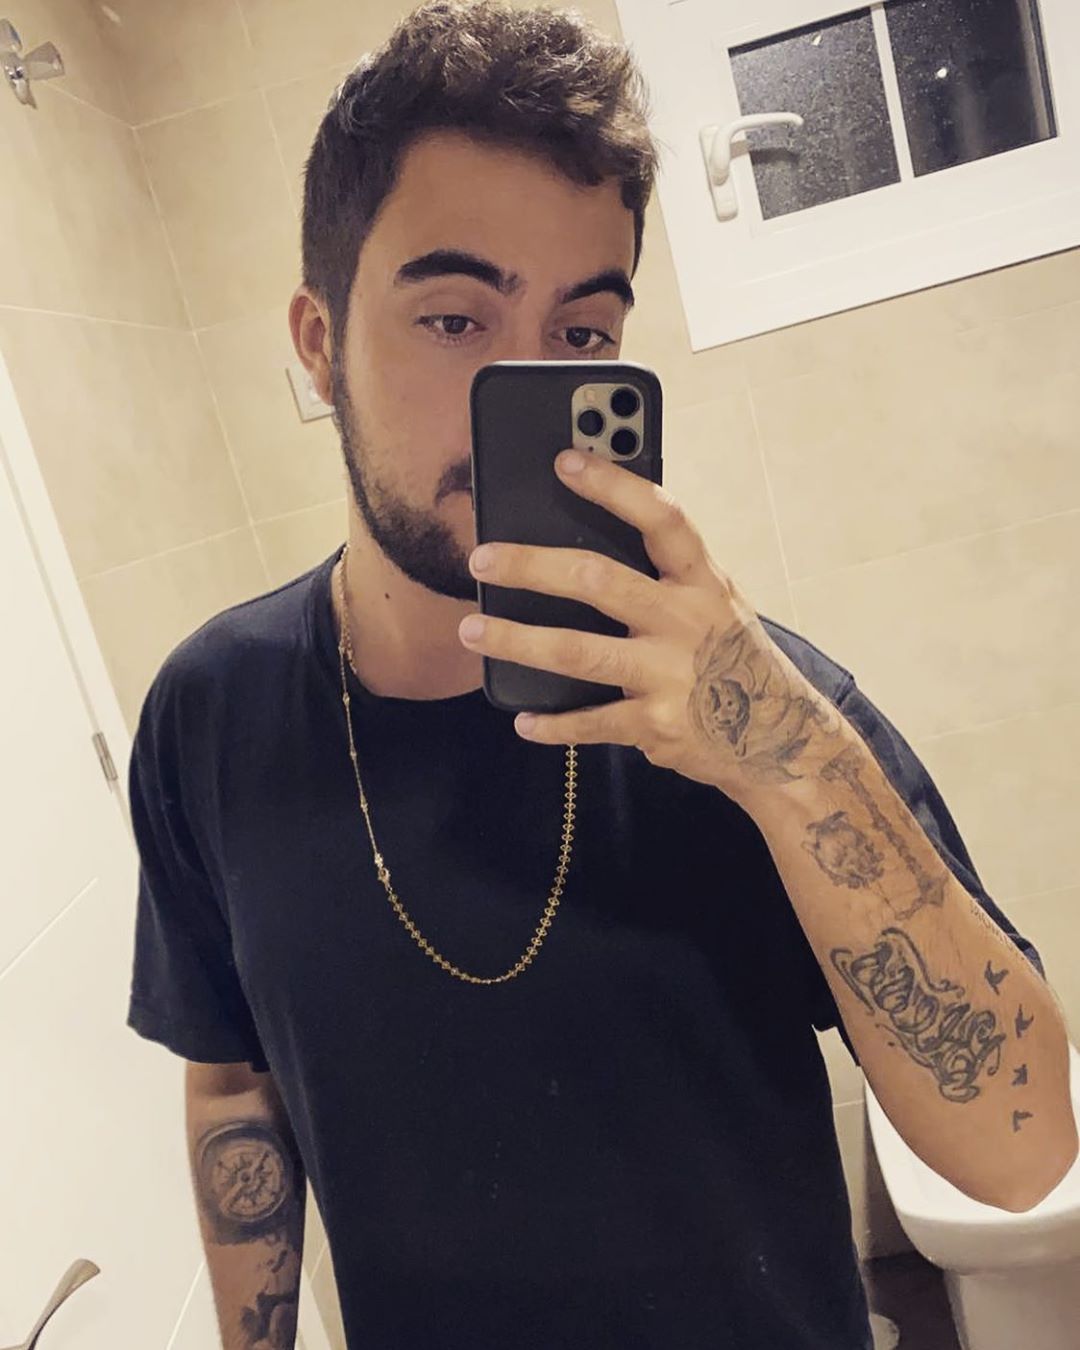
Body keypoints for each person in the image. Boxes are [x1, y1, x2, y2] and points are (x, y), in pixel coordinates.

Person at [125, 3, 1049, 1347]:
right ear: (319, 344)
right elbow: (229, 1074)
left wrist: (782, 753)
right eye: (454, 318)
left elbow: (1023, 1148)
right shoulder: (209, 715)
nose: (519, 385)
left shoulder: (757, 706)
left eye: (579, 334)